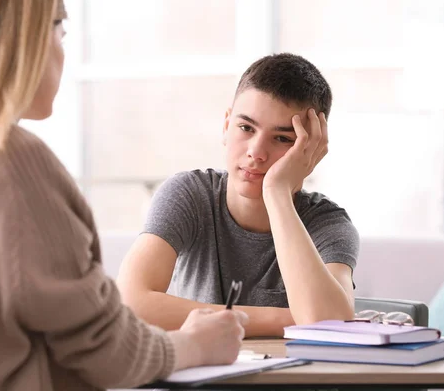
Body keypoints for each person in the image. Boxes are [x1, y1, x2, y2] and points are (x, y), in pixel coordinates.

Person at [0, 0, 248, 390]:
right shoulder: (10, 161)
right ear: (30, 37)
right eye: (61, 31)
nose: (62, 50)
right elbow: (106, 351)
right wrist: (195, 345)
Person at [117, 53, 359, 338]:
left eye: (283, 138)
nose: (256, 152)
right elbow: (129, 301)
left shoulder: (328, 223)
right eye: (246, 128)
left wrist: (277, 193)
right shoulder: (189, 195)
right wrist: (288, 319)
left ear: (311, 150)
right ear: (226, 126)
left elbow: (330, 325)